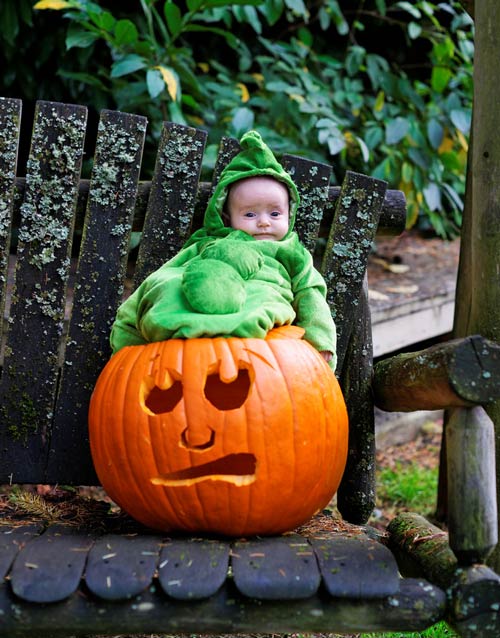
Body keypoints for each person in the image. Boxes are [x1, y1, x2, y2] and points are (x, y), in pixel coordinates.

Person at [110, 130, 337, 369]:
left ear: (289, 215)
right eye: (250, 214)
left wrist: (320, 343)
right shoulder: (206, 244)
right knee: (168, 292)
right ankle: (180, 325)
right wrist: (129, 335)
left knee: (259, 307)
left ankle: (217, 327)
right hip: (183, 340)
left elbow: (311, 297)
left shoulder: (292, 252)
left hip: (261, 329)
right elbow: (164, 276)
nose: (263, 222)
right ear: (227, 218)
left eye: (275, 213)